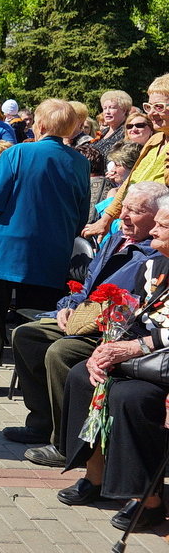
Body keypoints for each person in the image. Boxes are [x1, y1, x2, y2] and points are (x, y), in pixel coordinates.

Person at [5, 181, 166, 467]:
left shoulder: (154, 254)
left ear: (157, 217)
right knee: (25, 335)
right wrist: (67, 307)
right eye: (124, 207)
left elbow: (140, 312)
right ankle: (41, 422)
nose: (123, 216)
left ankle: (64, 443)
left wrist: (102, 322)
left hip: (115, 330)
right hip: (83, 316)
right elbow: (86, 286)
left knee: (60, 353)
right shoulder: (116, 237)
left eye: (135, 211)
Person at [0, 99, 91, 397]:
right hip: (52, 250)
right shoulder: (79, 162)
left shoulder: (18, 152)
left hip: (7, 244)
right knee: (38, 321)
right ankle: (35, 387)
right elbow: (82, 210)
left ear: (41, 125)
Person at [57, 197, 169, 532]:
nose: (155, 231)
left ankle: (147, 498)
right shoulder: (156, 265)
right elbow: (133, 317)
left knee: (129, 397)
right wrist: (106, 349)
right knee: (82, 375)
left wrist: (130, 349)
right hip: (143, 357)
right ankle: (97, 475)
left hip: (159, 363)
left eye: (162, 226)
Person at [83, 75, 169, 239]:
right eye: (148, 107)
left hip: (158, 237)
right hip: (131, 230)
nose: (151, 114)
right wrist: (106, 220)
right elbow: (129, 183)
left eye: (159, 107)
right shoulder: (155, 140)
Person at [92, 90, 133, 158]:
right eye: (105, 108)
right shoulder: (101, 132)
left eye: (112, 108)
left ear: (124, 111)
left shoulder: (127, 132)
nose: (107, 112)